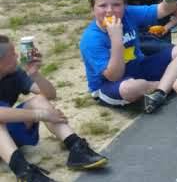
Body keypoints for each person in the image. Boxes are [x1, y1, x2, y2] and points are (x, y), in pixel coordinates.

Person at [0, 35, 108, 181]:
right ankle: (25, 173)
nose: (17, 56)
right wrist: (42, 115)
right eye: (12, 54)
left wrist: (35, 74)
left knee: (39, 100)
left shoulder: (14, 74)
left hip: (5, 140)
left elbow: (50, 94)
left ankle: (76, 147)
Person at [79, 0, 177, 113]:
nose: (110, 10)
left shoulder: (128, 13)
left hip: (138, 66)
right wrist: (116, 39)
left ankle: (160, 92)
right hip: (110, 84)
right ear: (92, 9)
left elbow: (164, 10)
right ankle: (172, 82)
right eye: (102, 6)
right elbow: (114, 76)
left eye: (116, 5)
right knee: (130, 88)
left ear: (125, 6)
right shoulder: (91, 39)